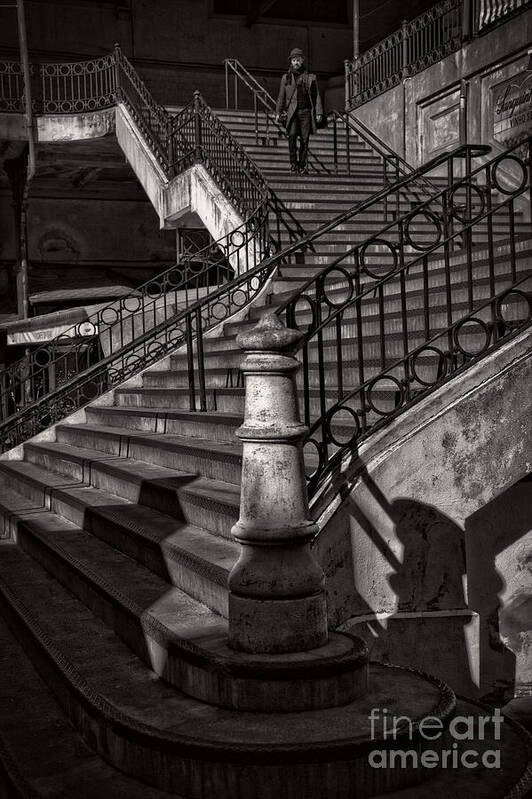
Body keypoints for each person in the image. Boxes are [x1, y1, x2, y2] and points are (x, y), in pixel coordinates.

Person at [275, 48, 323, 174]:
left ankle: (302, 165)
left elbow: (316, 95)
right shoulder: (286, 78)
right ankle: (293, 164)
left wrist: (319, 112)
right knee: (291, 136)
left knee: (304, 139)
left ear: (302, 61)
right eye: (294, 60)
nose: (296, 62)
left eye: (298, 60)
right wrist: (278, 112)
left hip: (306, 111)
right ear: (291, 62)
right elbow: (281, 96)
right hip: (292, 112)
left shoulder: (310, 77)